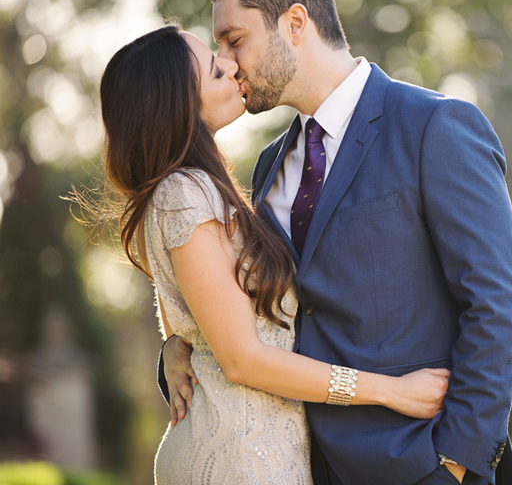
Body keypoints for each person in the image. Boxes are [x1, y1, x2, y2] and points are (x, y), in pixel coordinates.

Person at [162, 0, 512, 484]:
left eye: (234, 39)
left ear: (294, 23)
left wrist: (455, 464)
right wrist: (178, 345)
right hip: (309, 467)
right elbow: (257, 313)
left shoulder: (435, 127)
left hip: (423, 464)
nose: (225, 61)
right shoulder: (269, 166)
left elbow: (495, 305)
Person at [92, 24, 452, 484]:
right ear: (177, 102)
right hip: (239, 460)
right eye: (211, 68)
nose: (229, 64)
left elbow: (189, 314)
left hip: (256, 449)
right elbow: (243, 359)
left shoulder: (189, 188)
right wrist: (392, 392)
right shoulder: (185, 193)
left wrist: (173, 347)